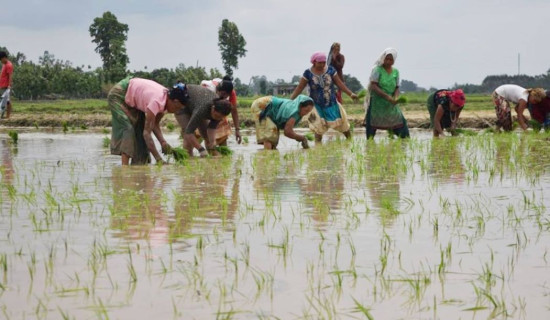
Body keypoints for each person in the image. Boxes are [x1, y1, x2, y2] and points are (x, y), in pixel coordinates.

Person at [108, 77, 188, 165]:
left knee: (139, 131)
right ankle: (125, 169)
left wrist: (163, 142)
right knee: (128, 128)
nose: (176, 111)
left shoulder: (165, 101)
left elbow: (154, 124)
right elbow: (147, 133)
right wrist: (159, 159)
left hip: (132, 97)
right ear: (175, 101)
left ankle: (137, 168)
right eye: (177, 108)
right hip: (119, 94)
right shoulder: (156, 102)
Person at [290, 51, 357, 143]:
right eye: (319, 62)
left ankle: (350, 142)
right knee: (318, 128)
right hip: (315, 105)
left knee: (342, 125)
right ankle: (318, 148)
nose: (322, 64)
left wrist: (350, 94)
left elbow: (340, 84)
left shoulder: (330, 70)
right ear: (314, 62)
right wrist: (290, 100)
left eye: (323, 62)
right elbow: (299, 88)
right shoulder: (308, 73)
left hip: (331, 103)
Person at [174, 84, 232, 157]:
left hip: (197, 104)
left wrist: (212, 141)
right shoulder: (202, 109)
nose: (217, 119)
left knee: (207, 137)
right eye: (216, 116)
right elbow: (189, 133)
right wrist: (201, 149)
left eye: (220, 117)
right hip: (182, 103)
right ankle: (188, 158)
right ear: (213, 108)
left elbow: (212, 127)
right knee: (187, 130)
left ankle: (213, 158)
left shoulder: (220, 110)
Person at [364, 48, 409, 139]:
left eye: (391, 59)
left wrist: (395, 98)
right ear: (383, 58)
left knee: (403, 130)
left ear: (394, 60)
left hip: (390, 104)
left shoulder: (396, 72)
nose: (388, 61)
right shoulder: (377, 70)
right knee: (371, 133)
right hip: (377, 103)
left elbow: (397, 87)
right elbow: (373, 86)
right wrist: (387, 97)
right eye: (386, 59)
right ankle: (369, 146)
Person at [200, 76, 242, 145]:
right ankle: (210, 150)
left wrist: (237, 130)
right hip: (205, 110)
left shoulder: (231, 93)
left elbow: (234, 111)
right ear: (218, 90)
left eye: (227, 95)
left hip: (220, 111)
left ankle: (222, 152)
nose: (225, 97)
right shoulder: (208, 89)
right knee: (206, 134)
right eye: (223, 94)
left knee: (223, 134)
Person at [0, 51, 14, 119]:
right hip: (2, 86)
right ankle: (2, 115)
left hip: (6, 86)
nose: (1, 61)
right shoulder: (4, 65)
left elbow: (10, 76)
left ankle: (8, 116)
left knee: (7, 101)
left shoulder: (9, 65)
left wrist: (9, 85)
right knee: (3, 101)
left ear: (4, 57)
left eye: (1, 59)